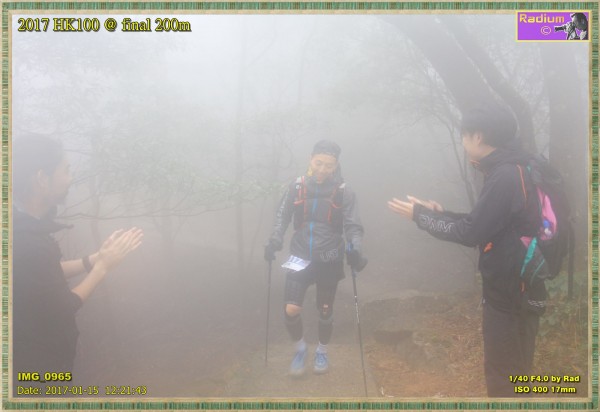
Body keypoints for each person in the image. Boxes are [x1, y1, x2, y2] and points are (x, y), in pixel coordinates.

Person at [387, 102, 546, 397]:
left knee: (505, 376)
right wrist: (437, 214)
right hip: (517, 286)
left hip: (511, 293)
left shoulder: (505, 175)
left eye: (464, 135)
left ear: (478, 136)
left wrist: (421, 217)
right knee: (515, 370)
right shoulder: (513, 168)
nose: (463, 142)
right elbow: (483, 224)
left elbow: (470, 233)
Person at [12, 135, 143, 392]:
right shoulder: (26, 239)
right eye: (66, 170)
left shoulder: (22, 226)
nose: (70, 178)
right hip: (35, 372)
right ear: (41, 179)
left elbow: (42, 274)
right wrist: (103, 267)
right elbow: (64, 306)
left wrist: (92, 260)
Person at [264, 140, 366, 377]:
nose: (322, 169)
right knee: (291, 309)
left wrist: (355, 249)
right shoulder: (297, 186)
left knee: (325, 309)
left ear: (336, 165)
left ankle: (322, 351)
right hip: (300, 254)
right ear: (311, 159)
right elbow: (282, 216)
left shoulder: (344, 191)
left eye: (328, 165)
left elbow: (353, 226)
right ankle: (300, 348)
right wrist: (275, 240)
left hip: (329, 257)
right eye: (319, 163)